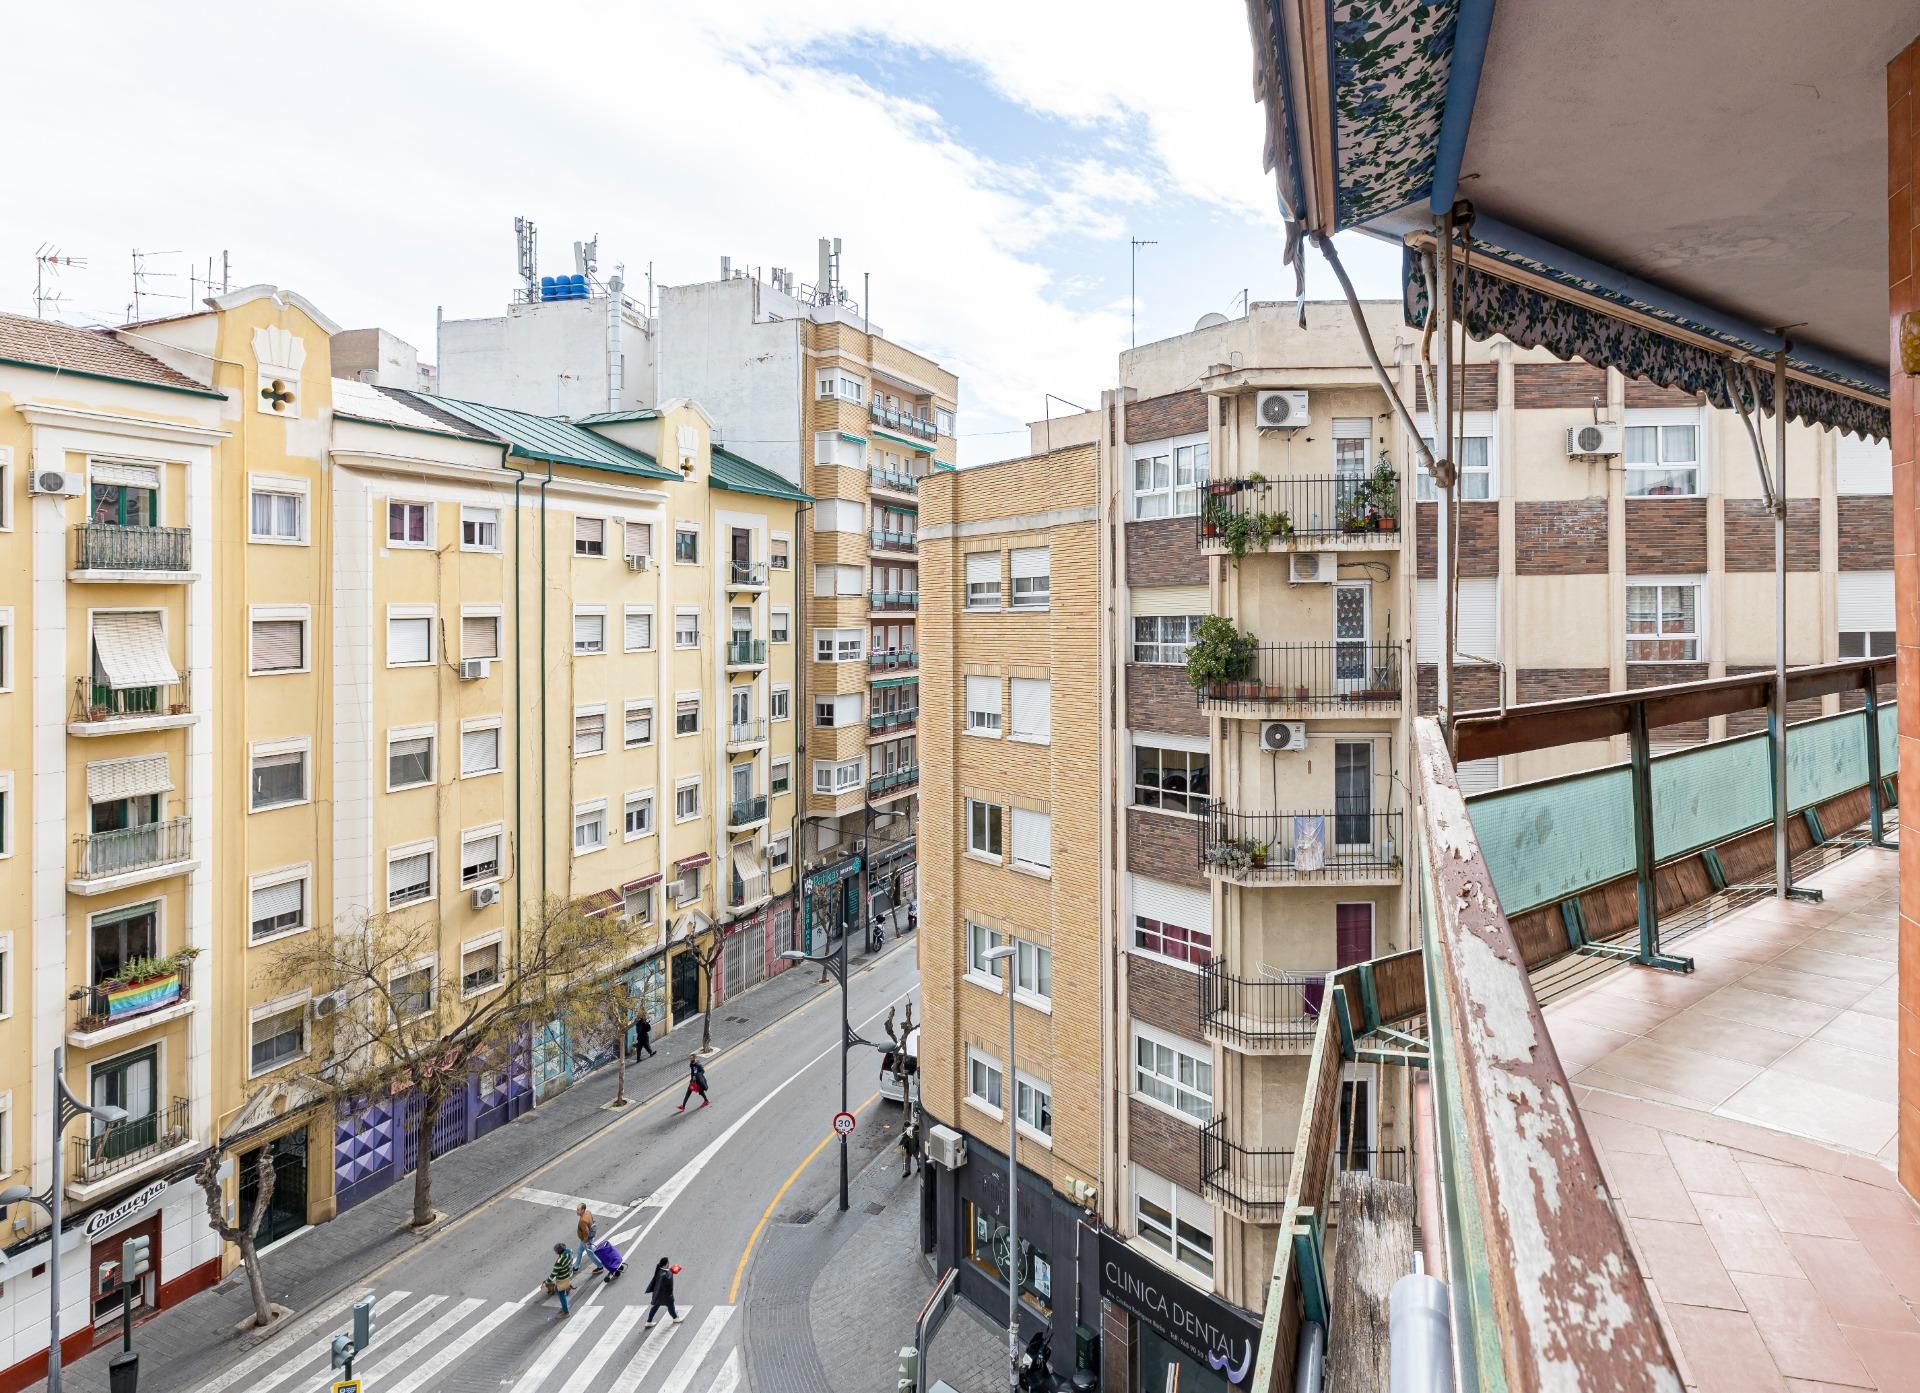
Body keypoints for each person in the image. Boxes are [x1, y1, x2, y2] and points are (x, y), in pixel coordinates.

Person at [644, 1256, 683, 1328]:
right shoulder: (663, 1274)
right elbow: (668, 1277)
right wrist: (671, 1270)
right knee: (671, 1306)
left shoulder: (660, 1271)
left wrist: (654, 1300)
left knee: (655, 1307)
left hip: (660, 1295)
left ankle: (649, 1321)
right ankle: (675, 1318)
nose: (669, 1264)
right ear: (665, 1264)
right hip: (665, 1295)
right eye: (668, 1263)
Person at [574, 1203, 609, 1276]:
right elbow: (592, 1222)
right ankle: (576, 1266)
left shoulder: (583, 1220)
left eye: (578, 1210)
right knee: (579, 1251)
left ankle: (600, 1266)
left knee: (590, 1254)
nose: (576, 1211)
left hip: (586, 1240)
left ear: (583, 1210)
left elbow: (586, 1232)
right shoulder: (588, 1212)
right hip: (589, 1238)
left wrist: (586, 1242)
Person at [545, 1242, 576, 1316]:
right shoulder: (570, 1251)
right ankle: (567, 1288)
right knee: (562, 1289)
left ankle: (566, 1311)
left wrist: (547, 1281)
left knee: (562, 1295)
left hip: (562, 1278)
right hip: (569, 1273)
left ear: (558, 1252)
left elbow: (554, 1273)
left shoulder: (559, 1262)